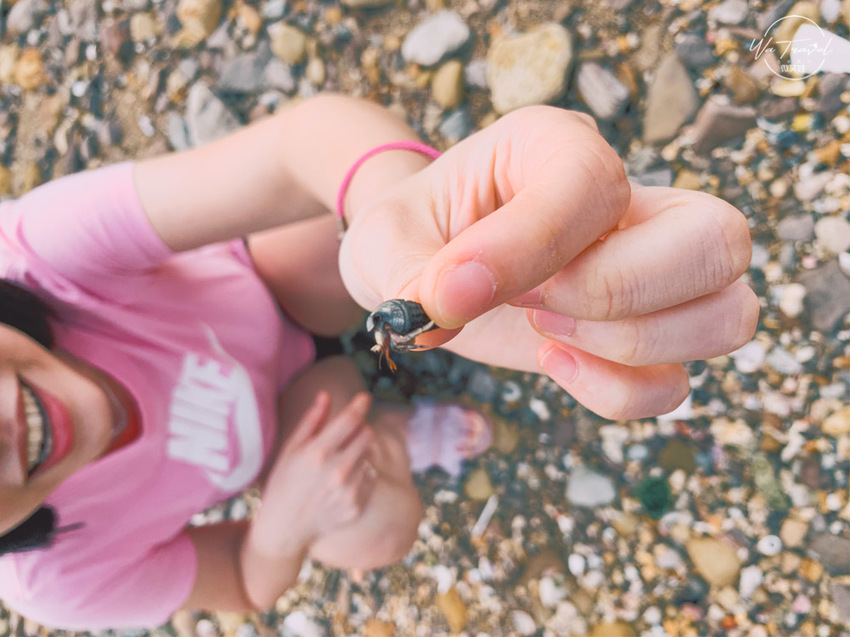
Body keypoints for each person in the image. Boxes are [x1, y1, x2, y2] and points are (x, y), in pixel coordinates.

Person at [0, 94, 757, 629]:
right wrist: (282, 525)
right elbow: (244, 580)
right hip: (297, 432)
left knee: (322, 231)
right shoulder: (56, 579)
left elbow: (302, 144)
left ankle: (408, 302)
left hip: (285, 287)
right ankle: (396, 435)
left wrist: (404, 238)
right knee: (368, 532)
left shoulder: (34, 253)